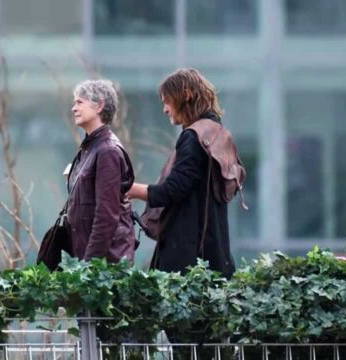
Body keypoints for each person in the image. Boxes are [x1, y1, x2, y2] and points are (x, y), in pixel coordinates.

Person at [128, 68, 244, 279]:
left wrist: (133, 190)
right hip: (212, 249)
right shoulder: (217, 132)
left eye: (167, 101)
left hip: (188, 255)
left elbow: (174, 189)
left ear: (187, 94)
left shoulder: (193, 137)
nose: (164, 109)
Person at [66, 79, 136, 263]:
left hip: (104, 267)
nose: (74, 108)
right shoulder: (90, 148)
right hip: (92, 263)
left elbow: (106, 216)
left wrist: (88, 266)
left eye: (79, 102)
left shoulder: (107, 151)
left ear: (99, 106)